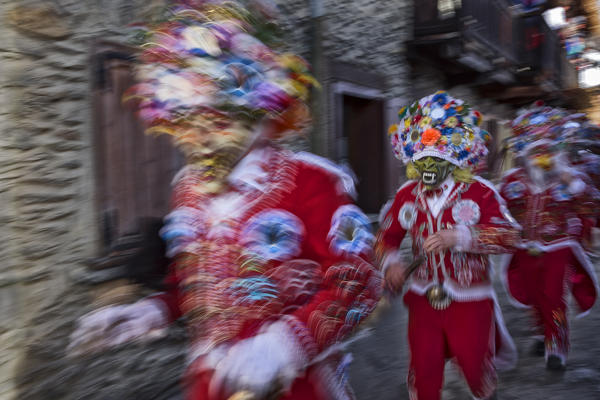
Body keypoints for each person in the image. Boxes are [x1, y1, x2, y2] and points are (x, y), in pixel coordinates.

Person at [69, 1, 381, 399]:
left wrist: (282, 346)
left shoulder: (312, 181)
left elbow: (360, 286)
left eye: (213, 120)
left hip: (297, 386)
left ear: (253, 114)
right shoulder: (187, 188)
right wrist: (149, 311)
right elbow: (193, 285)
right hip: (209, 384)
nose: (196, 138)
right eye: (183, 123)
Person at [379, 91, 520, 400]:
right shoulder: (406, 195)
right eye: (421, 156)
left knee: (474, 367)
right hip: (422, 298)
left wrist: (461, 237)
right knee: (423, 367)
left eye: (435, 156)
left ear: (454, 154)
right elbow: (387, 238)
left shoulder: (480, 193)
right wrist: (392, 263)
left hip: (470, 301)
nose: (427, 164)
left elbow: (510, 236)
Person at [499, 104, 599, 370]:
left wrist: (572, 183)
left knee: (553, 296)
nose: (541, 156)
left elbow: (591, 207)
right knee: (533, 294)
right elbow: (497, 208)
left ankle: (557, 346)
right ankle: (540, 332)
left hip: (558, 247)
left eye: (546, 150)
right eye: (536, 151)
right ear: (527, 154)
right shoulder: (513, 180)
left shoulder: (571, 178)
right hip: (525, 247)